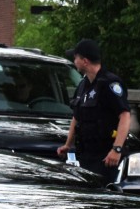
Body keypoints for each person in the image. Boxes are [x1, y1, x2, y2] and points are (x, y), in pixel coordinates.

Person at [56, 38, 131, 183]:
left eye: (75, 57)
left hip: (105, 156)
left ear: (85, 61)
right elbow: (76, 117)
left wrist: (117, 150)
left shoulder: (110, 83)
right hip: (85, 154)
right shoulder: (83, 84)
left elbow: (125, 115)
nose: (74, 61)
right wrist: (68, 144)